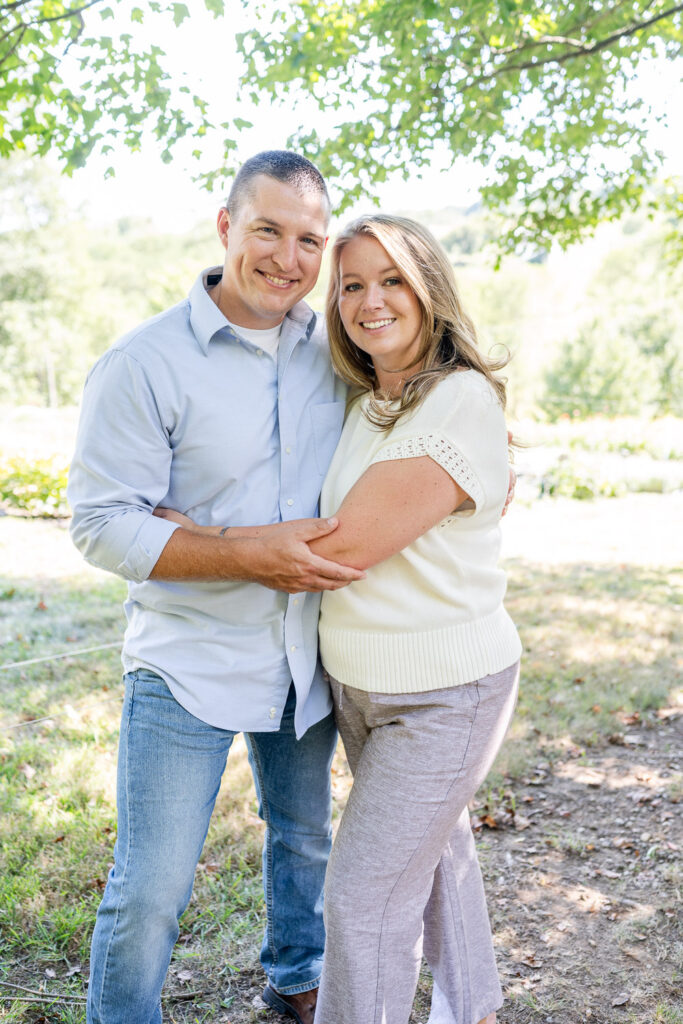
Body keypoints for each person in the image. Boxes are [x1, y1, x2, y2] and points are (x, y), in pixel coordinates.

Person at [67, 151, 366, 1024]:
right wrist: (241, 551)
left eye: (309, 238)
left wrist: (487, 459)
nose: (287, 257)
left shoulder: (337, 352)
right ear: (227, 227)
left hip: (305, 652)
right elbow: (100, 524)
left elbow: (414, 410)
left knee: (304, 840)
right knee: (152, 885)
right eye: (267, 229)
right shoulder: (144, 362)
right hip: (184, 659)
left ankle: (296, 987)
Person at [309, 214, 522, 1024]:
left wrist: (183, 540)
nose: (369, 301)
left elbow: (344, 546)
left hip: (445, 692)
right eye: (352, 284)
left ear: (428, 286)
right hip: (360, 684)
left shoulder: (459, 399)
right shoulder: (368, 403)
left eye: (390, 278)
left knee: (361, 902)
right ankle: (472, 1006)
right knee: (432, 860)